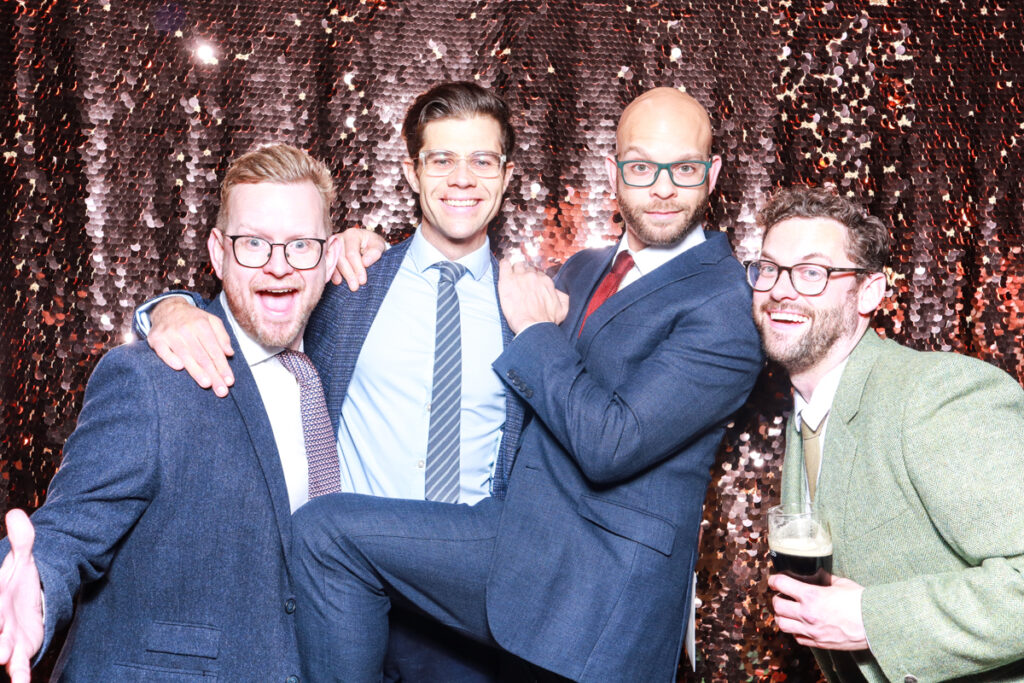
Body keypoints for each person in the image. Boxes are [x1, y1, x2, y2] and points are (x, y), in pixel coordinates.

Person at [288, 86, 763, 682]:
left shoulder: (716, 306)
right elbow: (251, 315)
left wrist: (535, 328)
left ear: (713, 174)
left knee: (324, 530)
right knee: (327, 534)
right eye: (641, 167)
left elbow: (610, 440)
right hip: (400, 588)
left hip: (564, 595)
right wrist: (171, 309)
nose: (662, 188)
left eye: (684, 168)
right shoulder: (576, 272)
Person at [137, 81, 527, 680]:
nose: (462, 178)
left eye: (482, 160)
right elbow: (255, 304)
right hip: (344, 601)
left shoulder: (530, 309)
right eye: (442, 159)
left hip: (466, 619)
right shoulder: (350, 282)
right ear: (413, 171)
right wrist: (170, 308)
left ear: (506, 175)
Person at [0, 143, 342, 681]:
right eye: (253, 243)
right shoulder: (149, 378)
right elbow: (70, 527)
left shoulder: (333, 369)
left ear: (329, 254)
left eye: (300, 244)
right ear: (216, 251)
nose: (279, 267)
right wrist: (33, 589)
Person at [750, 185, 1024, 682]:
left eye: (813, 272)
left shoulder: (937, 393)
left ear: (869, 293)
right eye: (769, 269)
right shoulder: (807, 411)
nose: (781, 289)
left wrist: (869, 619)